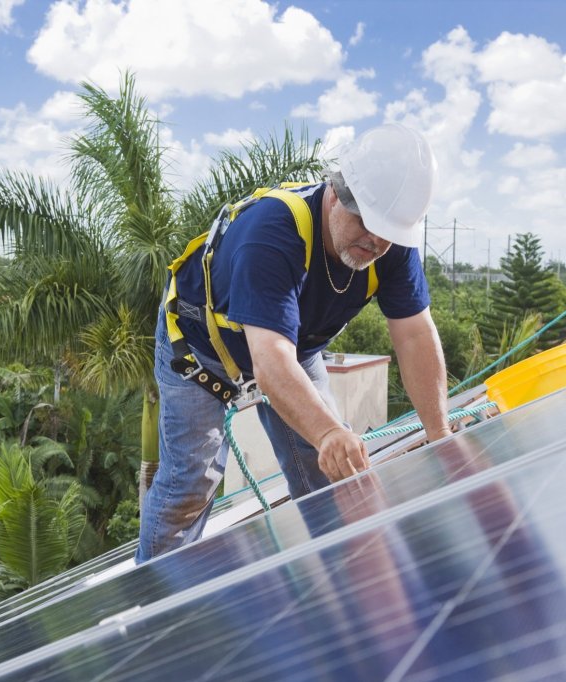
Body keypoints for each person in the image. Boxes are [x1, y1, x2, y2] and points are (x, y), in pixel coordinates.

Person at [136, 123, 452, 563]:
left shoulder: (391, 243)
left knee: (332, 473)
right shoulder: (272, 234)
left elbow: (415, 335)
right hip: (203, 352)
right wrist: (327, 432)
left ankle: (349, 585)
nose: (376, 242)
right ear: (336, 192)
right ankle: (153, 599)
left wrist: (440, 436)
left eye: (388, 232)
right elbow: (270, 362)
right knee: (190, 484)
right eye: (365, 222)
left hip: (293, 351)